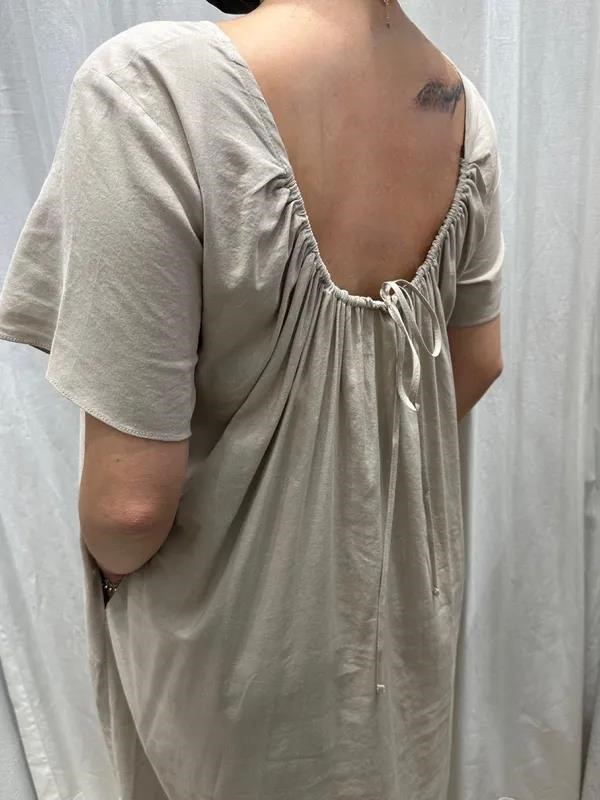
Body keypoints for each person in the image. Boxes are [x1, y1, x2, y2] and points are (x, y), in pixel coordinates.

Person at [0, 0, 504, 797]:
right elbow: (477, 362)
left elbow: (129, 507)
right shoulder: (464, 115)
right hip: (396, 653)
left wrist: (114, 574)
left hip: (231, 662)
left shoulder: (153, 90)